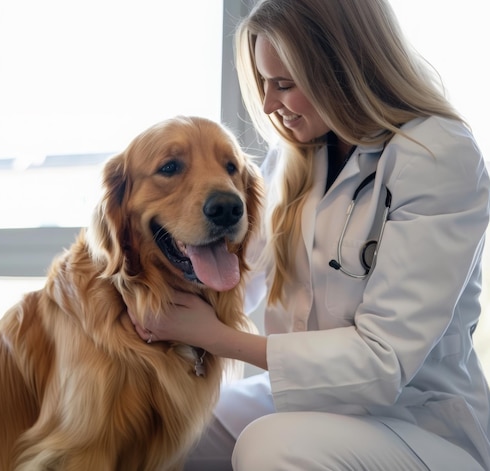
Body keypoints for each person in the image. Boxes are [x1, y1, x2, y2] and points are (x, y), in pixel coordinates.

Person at [128, 0, 490, 469]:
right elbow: (239, 277)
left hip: (416, 425)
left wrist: (214, 337)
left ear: (342, 72)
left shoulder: (436, 155)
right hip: (310, 405)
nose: (266, 104)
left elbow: (383, 363)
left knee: (268, 446)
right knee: (164, 430)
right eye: (263, 83)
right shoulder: (295, 158)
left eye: (284, 84)